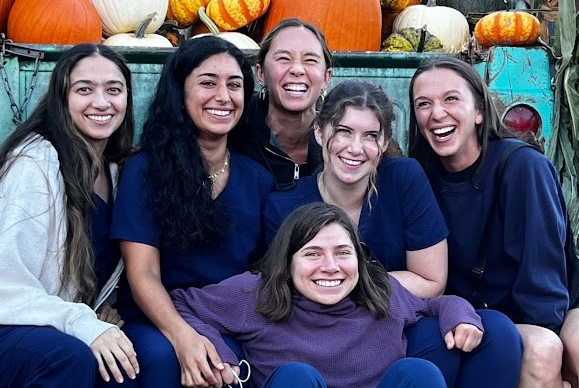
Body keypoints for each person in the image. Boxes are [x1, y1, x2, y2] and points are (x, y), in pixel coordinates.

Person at [263, 78, 522, 387]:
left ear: (384, 143)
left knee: (495, 334)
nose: (356, 148)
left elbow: (431, 282)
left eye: (370, 136)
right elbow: (292, 292)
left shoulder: (402, 178)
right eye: (343, 131)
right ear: (319, 132)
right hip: (320, 338)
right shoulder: (284, 207)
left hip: (390, 322)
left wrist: (349, 279)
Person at [0, 44, 139, 387]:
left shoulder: (115, 172)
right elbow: (6, 288)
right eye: (84, 89)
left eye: (113, 90)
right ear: (61, 98)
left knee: (122, 367)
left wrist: (99, 311)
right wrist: (82, 322)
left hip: (42, 331)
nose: (102, 102)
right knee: (70, 358)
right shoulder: (34, 164)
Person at [171, 202, 490, 388]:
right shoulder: (256, 293)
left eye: (342, 253)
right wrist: (215, 354)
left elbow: (433, 304)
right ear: (288, 259)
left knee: (418, 372)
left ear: (359, 259)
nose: (330, 267)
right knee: (296, 378)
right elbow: (181, 303)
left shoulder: (379, 290)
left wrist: (460, 313)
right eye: (312, 254)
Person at [111, 36, 275, 388]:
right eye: (207, 83)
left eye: (234, 85)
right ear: (180, 92)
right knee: (162, 359)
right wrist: (184, 337)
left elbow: (264, 272)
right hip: (157, 317)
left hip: (228, 317)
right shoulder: (146, 169)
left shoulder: (258, 179)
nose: (223, 96)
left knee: (243, 366)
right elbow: (143, 273)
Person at [408, 56, 570, 388]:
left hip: (544, 308)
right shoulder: (415, 176)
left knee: (545, 349)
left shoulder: (523, 167)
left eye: (451, 98)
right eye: (424, 104)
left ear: (479, 111)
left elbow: (544, 281)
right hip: (467, 313)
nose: (437, 113)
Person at [230, 18, 333, 190]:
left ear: (326, 77)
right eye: (284, 59)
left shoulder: (341, 136)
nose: (297, 70)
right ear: (260, 73)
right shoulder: (234, 130)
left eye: (310, 60)